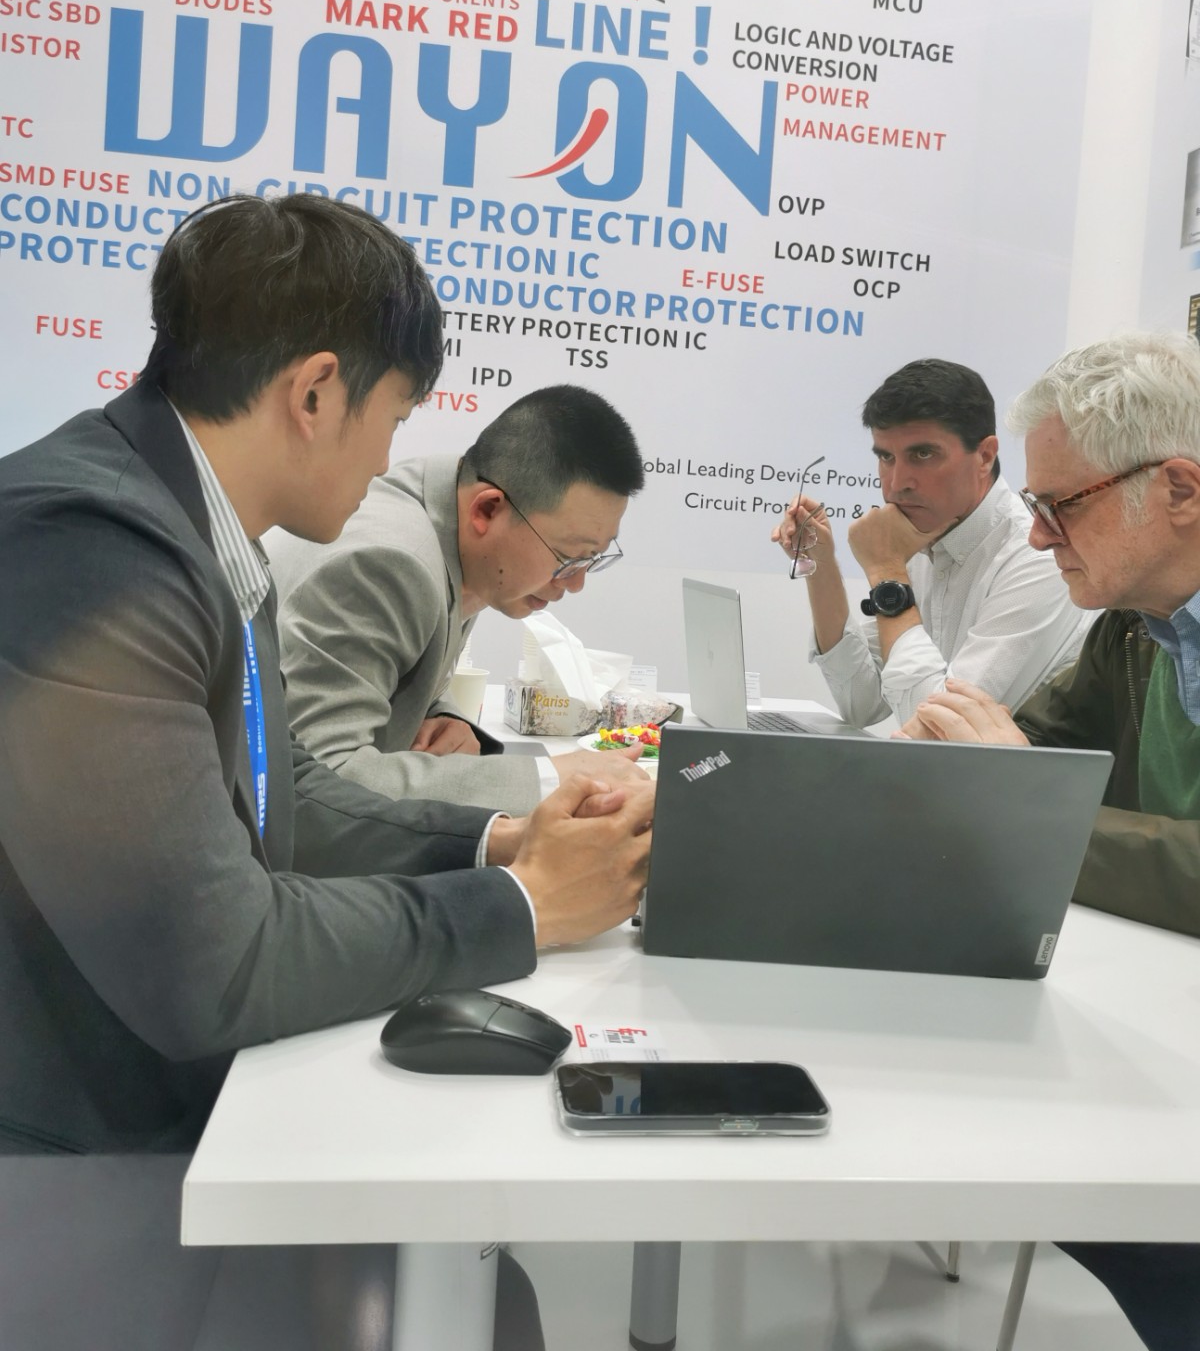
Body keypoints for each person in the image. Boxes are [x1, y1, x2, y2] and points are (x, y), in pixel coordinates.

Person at [0, 193, 652, 1350]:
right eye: (395, 415)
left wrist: (497, 841)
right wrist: (521, 907)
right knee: (467, 1307)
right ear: (314, 394)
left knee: (486, 1291)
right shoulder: (91, 547)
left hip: (164, 1092)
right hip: (75, 1146)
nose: (394, 457)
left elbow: (279, 795)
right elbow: (216, 961)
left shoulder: (197, 530)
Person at [897, 329, 1200, 1351]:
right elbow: (1014, 760)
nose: (1035, 537)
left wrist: (1021, 793)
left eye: (1059, 505)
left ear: (1180, 490)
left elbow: (1025, 785)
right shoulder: (1133, 628)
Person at [269, 386, 648, 812]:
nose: (575, 583)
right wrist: (550, 778)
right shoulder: (389, 564)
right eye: (567, 557)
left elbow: (391, 670)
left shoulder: (459, 525)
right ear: (487, 510)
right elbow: (322, 782)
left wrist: (443, 715)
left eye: (593, 558)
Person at [772, 357, 1090, 727]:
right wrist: (821, 565)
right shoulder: (922, 532)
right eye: (886, 457)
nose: (897, 484)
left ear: (985, 456)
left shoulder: (1036, 557)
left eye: (923, 454)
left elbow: (938, 732)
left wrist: (886, 571)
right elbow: (862, 703)